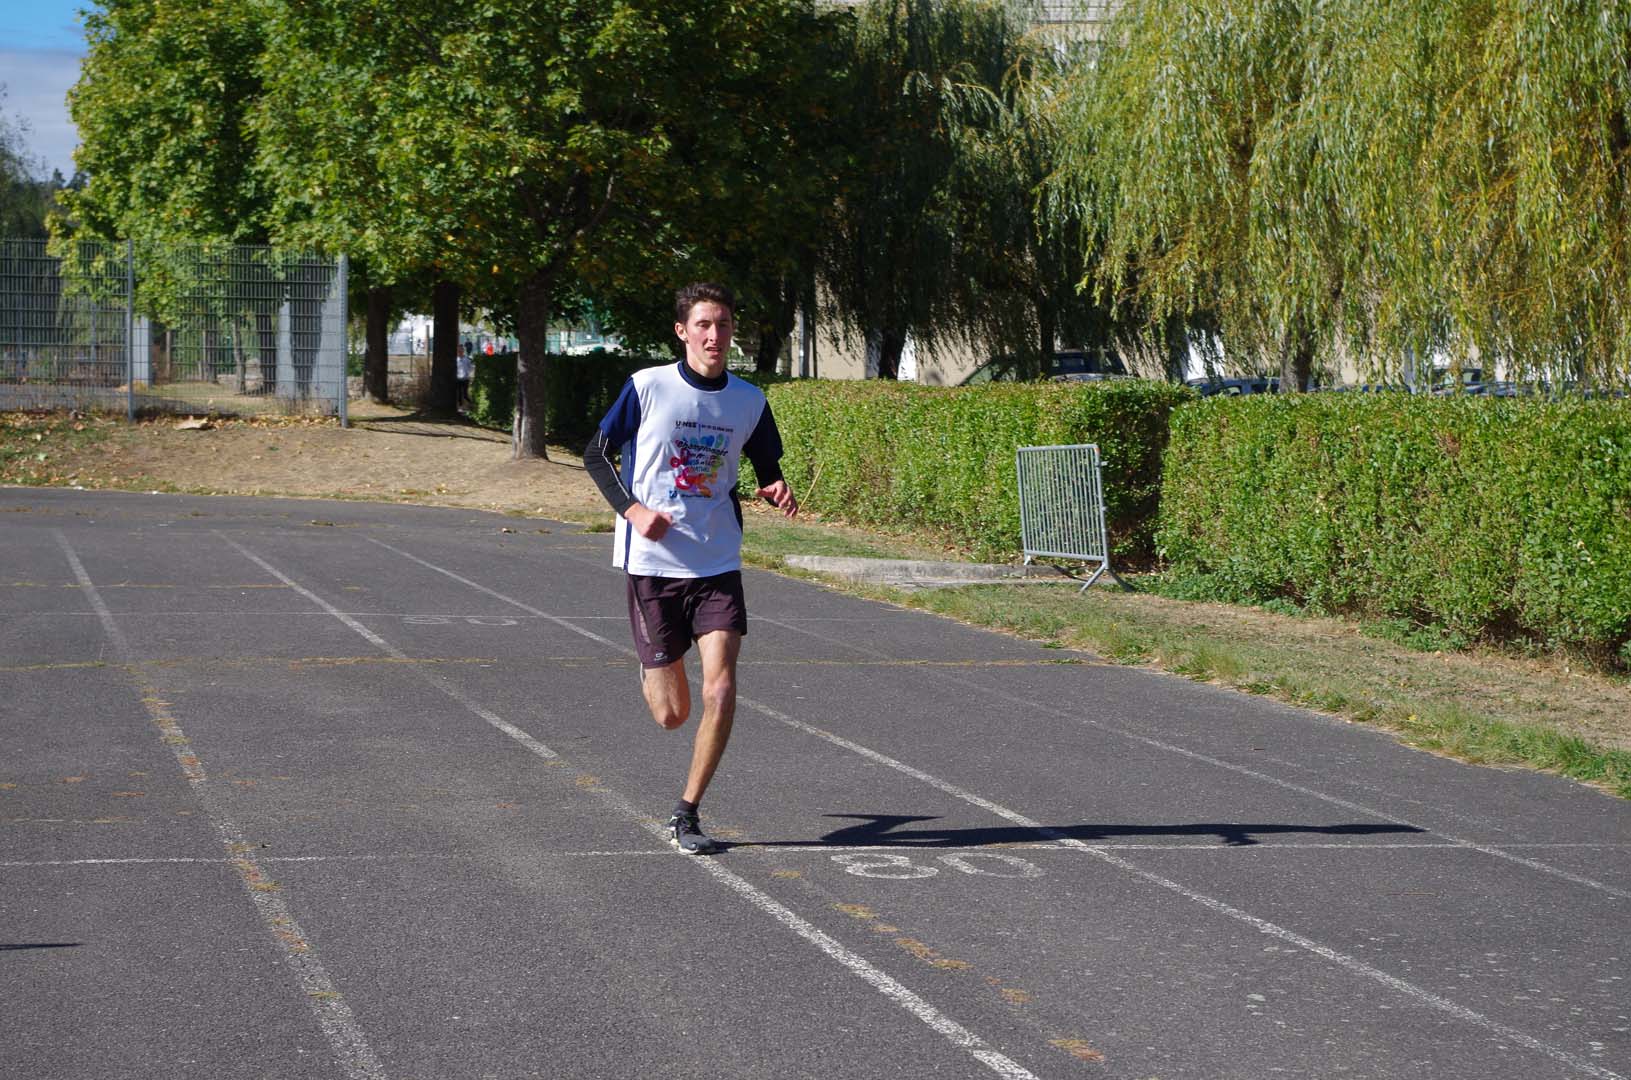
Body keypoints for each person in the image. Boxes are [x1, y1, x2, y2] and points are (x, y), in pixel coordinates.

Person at [583, 282, 797, 854]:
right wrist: (632, 510)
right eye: (703, 324)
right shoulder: (648, 387)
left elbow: (765, 464)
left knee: (721, 690)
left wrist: (774, 485)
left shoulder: (749, 400)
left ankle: (687, 813)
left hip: (717, 560)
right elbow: (594, 453)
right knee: (672, 713)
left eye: (723, 324)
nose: (714, 335)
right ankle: (655, 666)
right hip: (651, 562)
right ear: (683, 331)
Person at [455, 343, 473, 410]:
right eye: (459, 350)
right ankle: (460, 407)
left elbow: (470, 368)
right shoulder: (456, 360)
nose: (460, 352)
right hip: (458, 378)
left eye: (461, 350)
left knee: (465, 394)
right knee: (459, 394)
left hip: (465, 378)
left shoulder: (467, 359)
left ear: (463, 351)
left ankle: (471, 404)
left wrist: (468, 375)